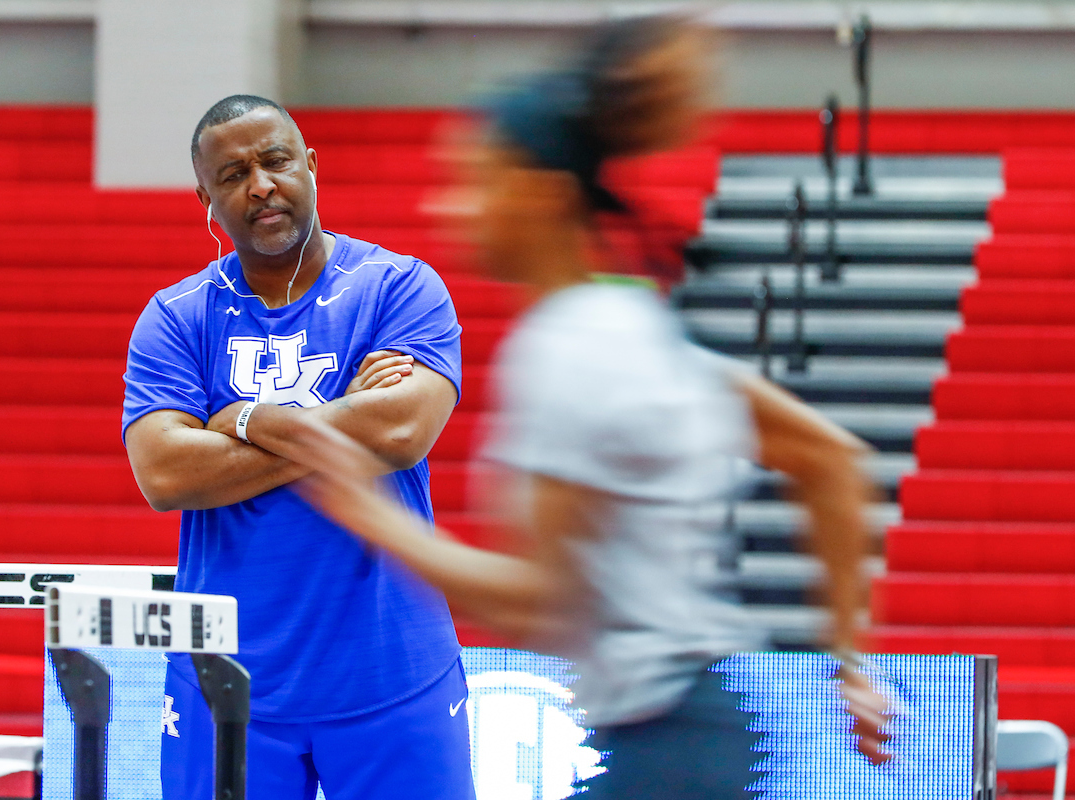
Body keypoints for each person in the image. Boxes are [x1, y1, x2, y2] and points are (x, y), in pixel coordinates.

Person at [271, 18, 893, 799]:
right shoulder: (637, 325)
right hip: (699, 737)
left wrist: (369, 512)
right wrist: (852, 661)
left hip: (662, 751)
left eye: (476, 181)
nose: (449, 207)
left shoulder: (569, 348)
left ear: (541, 196)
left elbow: (539, 602)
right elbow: (830, 458)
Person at [122, 95, 475, 800]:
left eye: (276, 160)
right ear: (207, 197)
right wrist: (350, 420)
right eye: (232, 174)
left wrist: (243, 417)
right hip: (224, 681)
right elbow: (164, 473)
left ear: (310, 165)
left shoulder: (401, 287)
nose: (260, 184)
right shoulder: (176, 317)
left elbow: (403, 434)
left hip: (392, 670)